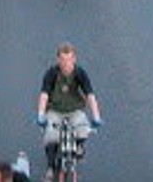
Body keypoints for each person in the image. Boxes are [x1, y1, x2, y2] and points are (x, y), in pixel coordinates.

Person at [36, 43, 103, 179]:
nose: (66, 63)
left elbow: (90, 95)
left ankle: (78, 146)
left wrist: (96, 117)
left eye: (69, 59)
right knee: (51, 136)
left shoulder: (80, 73)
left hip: (75, 110)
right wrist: (41, 115)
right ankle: (50, 166)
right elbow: (44, 95)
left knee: (83, 130)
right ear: (58, 60)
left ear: (74, 59)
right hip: (55, 110)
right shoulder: (52, 73)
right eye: (63, 60)